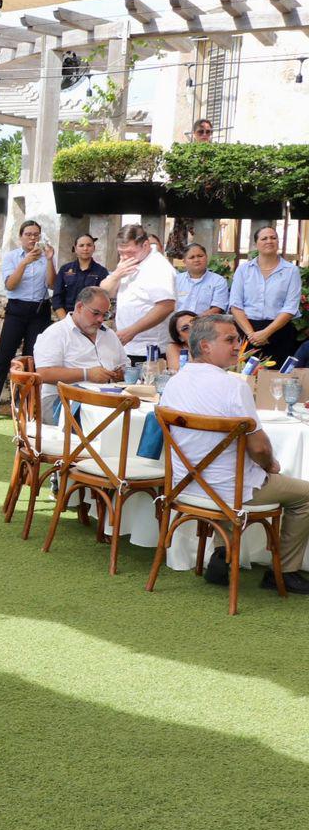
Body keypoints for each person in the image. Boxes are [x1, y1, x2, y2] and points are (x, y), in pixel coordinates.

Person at [160, 314, 309, 593]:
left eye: (237, 339)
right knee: (304, 495)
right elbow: (260, 448)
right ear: (205, 346)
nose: (236, 346)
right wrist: (270, 465)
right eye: (229, 340)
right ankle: (285, 572)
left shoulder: (174, 382)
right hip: (226, 489)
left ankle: (223, 554)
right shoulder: (234, 386)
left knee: (228, 472)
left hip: (185, 485)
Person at [0, 219, 56, 422]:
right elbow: (11, 285)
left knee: (33, 358)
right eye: (28, 234)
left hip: (39, 309)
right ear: (20, 237)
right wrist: (24, 262)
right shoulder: (12, 257)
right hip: (17, 309)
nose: (32, 238)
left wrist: (49, 260)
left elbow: (52, 284)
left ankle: (28, 407)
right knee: (4, 356)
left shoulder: (46, 257)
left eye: (36, 234)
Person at [31, 287, 129, 423]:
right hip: (62, 401)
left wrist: (121, 374)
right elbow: (44, 374)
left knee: (133, 416)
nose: (101, 319)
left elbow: (125, 366)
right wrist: (87, 374)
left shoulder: (109, 334)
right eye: (96, 313)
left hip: (105, 401)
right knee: (114, 422)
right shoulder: (56, 333)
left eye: (105, 315)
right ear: (79, 307)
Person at [101, 224, 177, 368]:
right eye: (121, 253)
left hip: (150, 348)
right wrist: (117, 274)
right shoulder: (127, 262)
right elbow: (105, 292)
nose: (125, 257)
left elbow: (166, 306)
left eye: (130, 252)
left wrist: (132, 331)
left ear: (145, 245)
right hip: (127, 345)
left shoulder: (158, 266)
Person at [229, 224, 302, 368]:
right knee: (242, 375)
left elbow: (290, 307)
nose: (269, 241)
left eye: (273, 238)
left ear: (278, 242)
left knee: (274, 377)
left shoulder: (291, 271)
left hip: (278, 330)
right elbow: (236, 305)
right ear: (256, 244)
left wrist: (266, 333)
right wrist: (252, 334)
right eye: (264, 238)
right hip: (246, 330)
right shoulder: (243, 270)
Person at [51, 234, 109, 319]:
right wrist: (65, 321)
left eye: (89, 245)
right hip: (66, 317)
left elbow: (104, 299)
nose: (85, 249)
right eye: (81, 245)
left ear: (94, 248)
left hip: (91, 319)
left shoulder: (101, 271)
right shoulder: (65, 269)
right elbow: (57, 298)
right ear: (75, 248)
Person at [174, 243, 228, 317]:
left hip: (205, 325)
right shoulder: (176, 280)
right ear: (184, 262)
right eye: (191, 257)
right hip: (178, 323)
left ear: (206, 257)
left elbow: (217, 308)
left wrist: (195, 320)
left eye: (200, 256)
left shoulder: (218, 281)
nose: (196, 260)